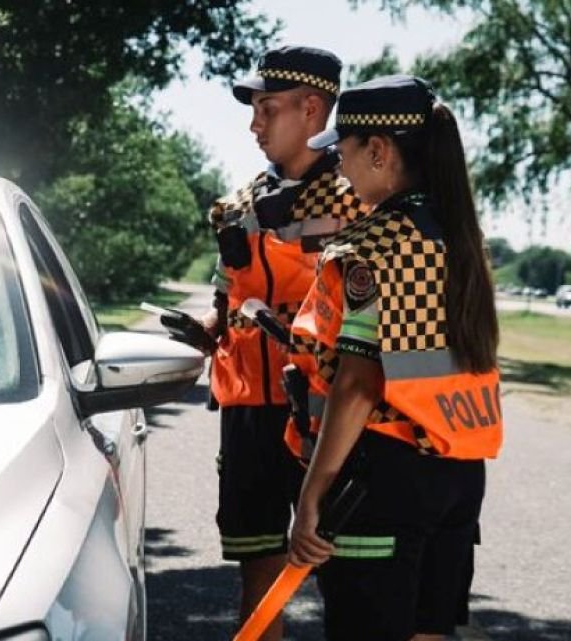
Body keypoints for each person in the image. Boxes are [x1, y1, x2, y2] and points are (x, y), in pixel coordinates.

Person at [288, 74, 504, 641]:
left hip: (381, 479)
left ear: (378, 150)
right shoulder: (459, 239)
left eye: (340, 151)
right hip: (458, 476)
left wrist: (312, 494)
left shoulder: (371, 246)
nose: (337, 167)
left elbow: (358, 385)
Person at [201, 45, 367, 641]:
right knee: (260, 581)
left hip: (331, 415)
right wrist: (209, 331)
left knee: (352, 587)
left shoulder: (363, 202)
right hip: (250, 416)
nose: (254, 124)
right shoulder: (239, 203)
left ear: (313, 110)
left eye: (268, 109)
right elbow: (226, 299)